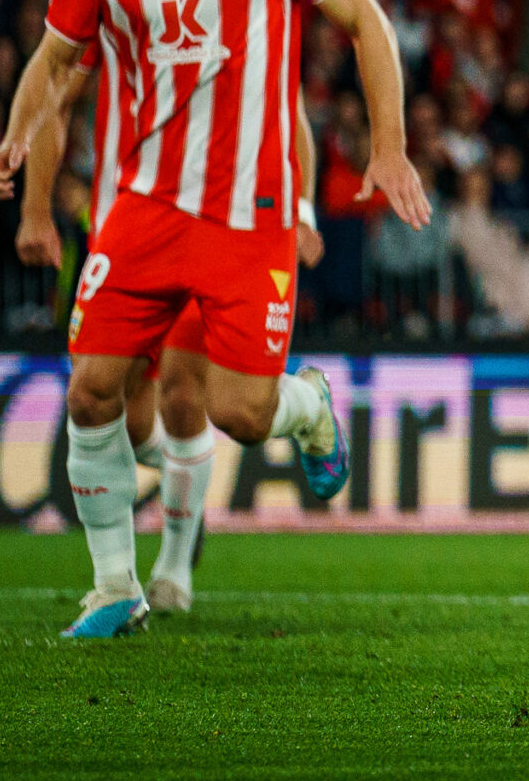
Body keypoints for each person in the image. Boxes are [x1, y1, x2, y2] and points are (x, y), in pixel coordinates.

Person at [0, 0, 431, 641]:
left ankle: (308, 406)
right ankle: (117, 583)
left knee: (236, 412)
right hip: (142, 207)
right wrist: (17, 135)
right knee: (91, 391)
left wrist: (389, 147)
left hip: (247, 215)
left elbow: (366, 20)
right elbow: (56, 62)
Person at [17, 36, 323, 616]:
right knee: (123, 418)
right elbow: (54, 96)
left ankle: (173, 572)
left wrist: (301, 209)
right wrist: (38, 203)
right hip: (125, 234)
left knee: (185, 396)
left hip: (212, 230)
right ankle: (191, 486)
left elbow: (290, 110)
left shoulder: (237, 6)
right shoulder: (121, 3)